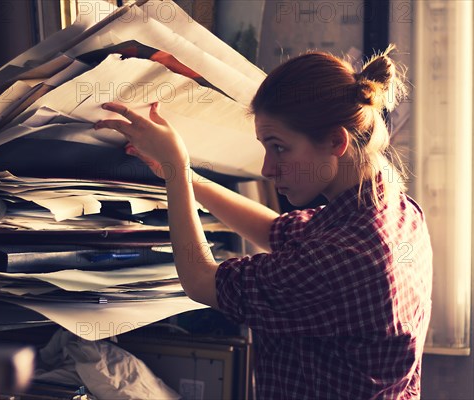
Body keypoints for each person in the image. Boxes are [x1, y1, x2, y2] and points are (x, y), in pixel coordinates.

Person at [94, 45, 433, 399]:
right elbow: (277, 231)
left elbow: (201, 281)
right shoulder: (395, 211)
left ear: (336, 140)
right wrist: (186, 177)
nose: (267, 169)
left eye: (279, 147)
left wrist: (177, 169)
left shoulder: (348, 258)